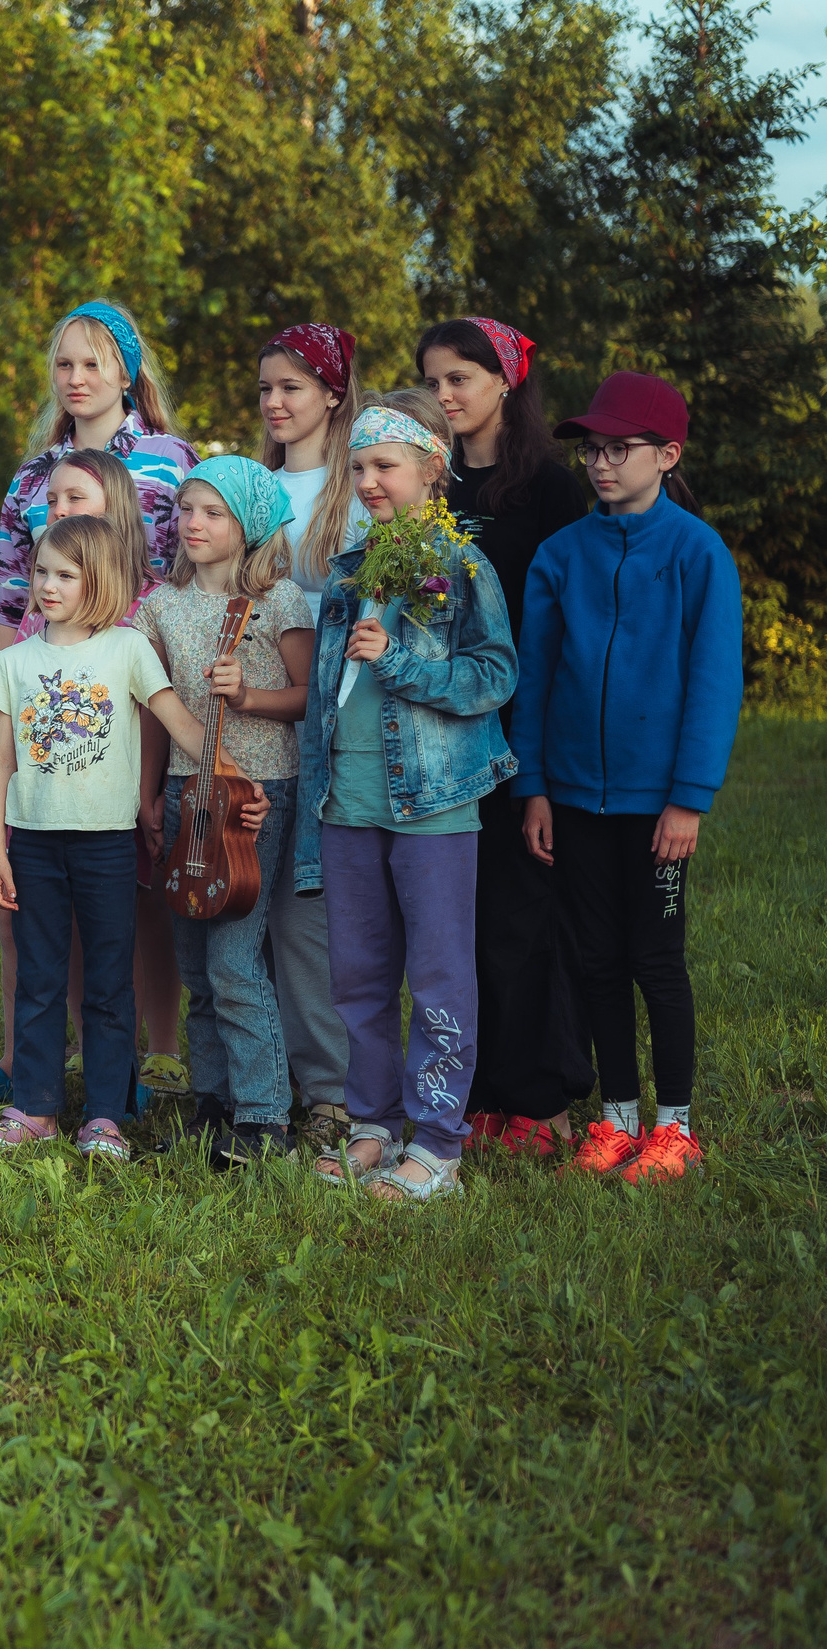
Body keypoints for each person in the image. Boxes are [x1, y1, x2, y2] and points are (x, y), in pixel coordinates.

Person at [0, 516, 267, 1164]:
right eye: (42, 571)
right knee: (41, 980)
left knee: (110, 982)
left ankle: (105, 1114)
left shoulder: (127, 649)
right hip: (35, 847)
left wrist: (235, 777)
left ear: (99, 580)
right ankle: (36, 1107)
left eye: (64, 574)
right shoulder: (15, 662)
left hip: (108, 845)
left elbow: (182, 724)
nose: (47, 585)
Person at [511, 371, 743, 1183]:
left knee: (657, 961)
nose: (601, 464)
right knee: (598, 962)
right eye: (594, 450)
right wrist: (534, 785)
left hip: (658, 808)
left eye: (620, 449)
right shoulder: (560, 555)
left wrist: (689, 799)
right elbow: (534, 678)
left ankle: (674, 1129)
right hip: (573, 799)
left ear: (666, 453)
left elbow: (715, 681)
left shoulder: (698, 554)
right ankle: (615, 1122)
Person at [299, 391, 518, 1203]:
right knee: (357, 974)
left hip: (431, 802)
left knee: (436, 974)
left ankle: (437, 1143)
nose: (367, 481)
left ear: (432, 467)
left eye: (383, 465)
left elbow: (495, 675)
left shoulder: (461, 567)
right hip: (347, 801)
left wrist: (402, 663)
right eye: (357, 466)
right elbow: (326, 697)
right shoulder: (347, 572)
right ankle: (374, 1124)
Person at [0, 300, 198, 1100]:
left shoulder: (171, 461)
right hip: (49, 685)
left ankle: (162, 1053)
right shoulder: (35, 476)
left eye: (92, 362)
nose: (75, 378)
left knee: (140, 874)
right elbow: (9, 596)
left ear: (126, 370)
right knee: (53, 870)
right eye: (63, 363)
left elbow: (187, 573)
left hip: (140, 676)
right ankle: (71, 1050)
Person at [418, 318, 598, 1158]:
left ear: (505, 382)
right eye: (434, 380)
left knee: (527, 914)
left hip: (525, 733)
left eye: (459, 378)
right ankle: (482, 1089)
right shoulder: (430, 490)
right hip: (441, 732)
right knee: (462, 917)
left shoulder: (552, 493)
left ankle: (542, 1093)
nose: (446, 395)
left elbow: (571, 628)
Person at [0, 449, 150, 1105]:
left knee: (111, 956)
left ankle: (115, 1090)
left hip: (111, 816)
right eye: (53, 501)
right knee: (36, 947)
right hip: (37, 811)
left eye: (76, 500)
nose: (58, 511)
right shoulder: (34, 625)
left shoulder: (135, 622)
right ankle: (31, 1077)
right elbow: (5, 727)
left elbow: (161, 714)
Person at [135, 456, 316, 1164]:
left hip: (257, 794)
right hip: (185, 790)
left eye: (212, 512)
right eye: (185, 509)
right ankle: (215, 1103)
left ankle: (266, 1118)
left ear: (250, 525)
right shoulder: (161, 605)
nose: (193, 524)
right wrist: (150, 793)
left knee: (236, 957)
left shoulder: (281, 602)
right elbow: (156, 709)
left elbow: (306, 697)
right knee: (193, 959)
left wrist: (249, 698)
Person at [256, 323, 368, 1150]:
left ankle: (328, 1090)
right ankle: (258, 1080)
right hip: (248, 726)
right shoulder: (253, 490)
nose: (276, 403)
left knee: (306, 918)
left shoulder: (351, 492)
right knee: (238, 910)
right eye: (265, 389)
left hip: (325, 726)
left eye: (293, 387)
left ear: (333, 393)